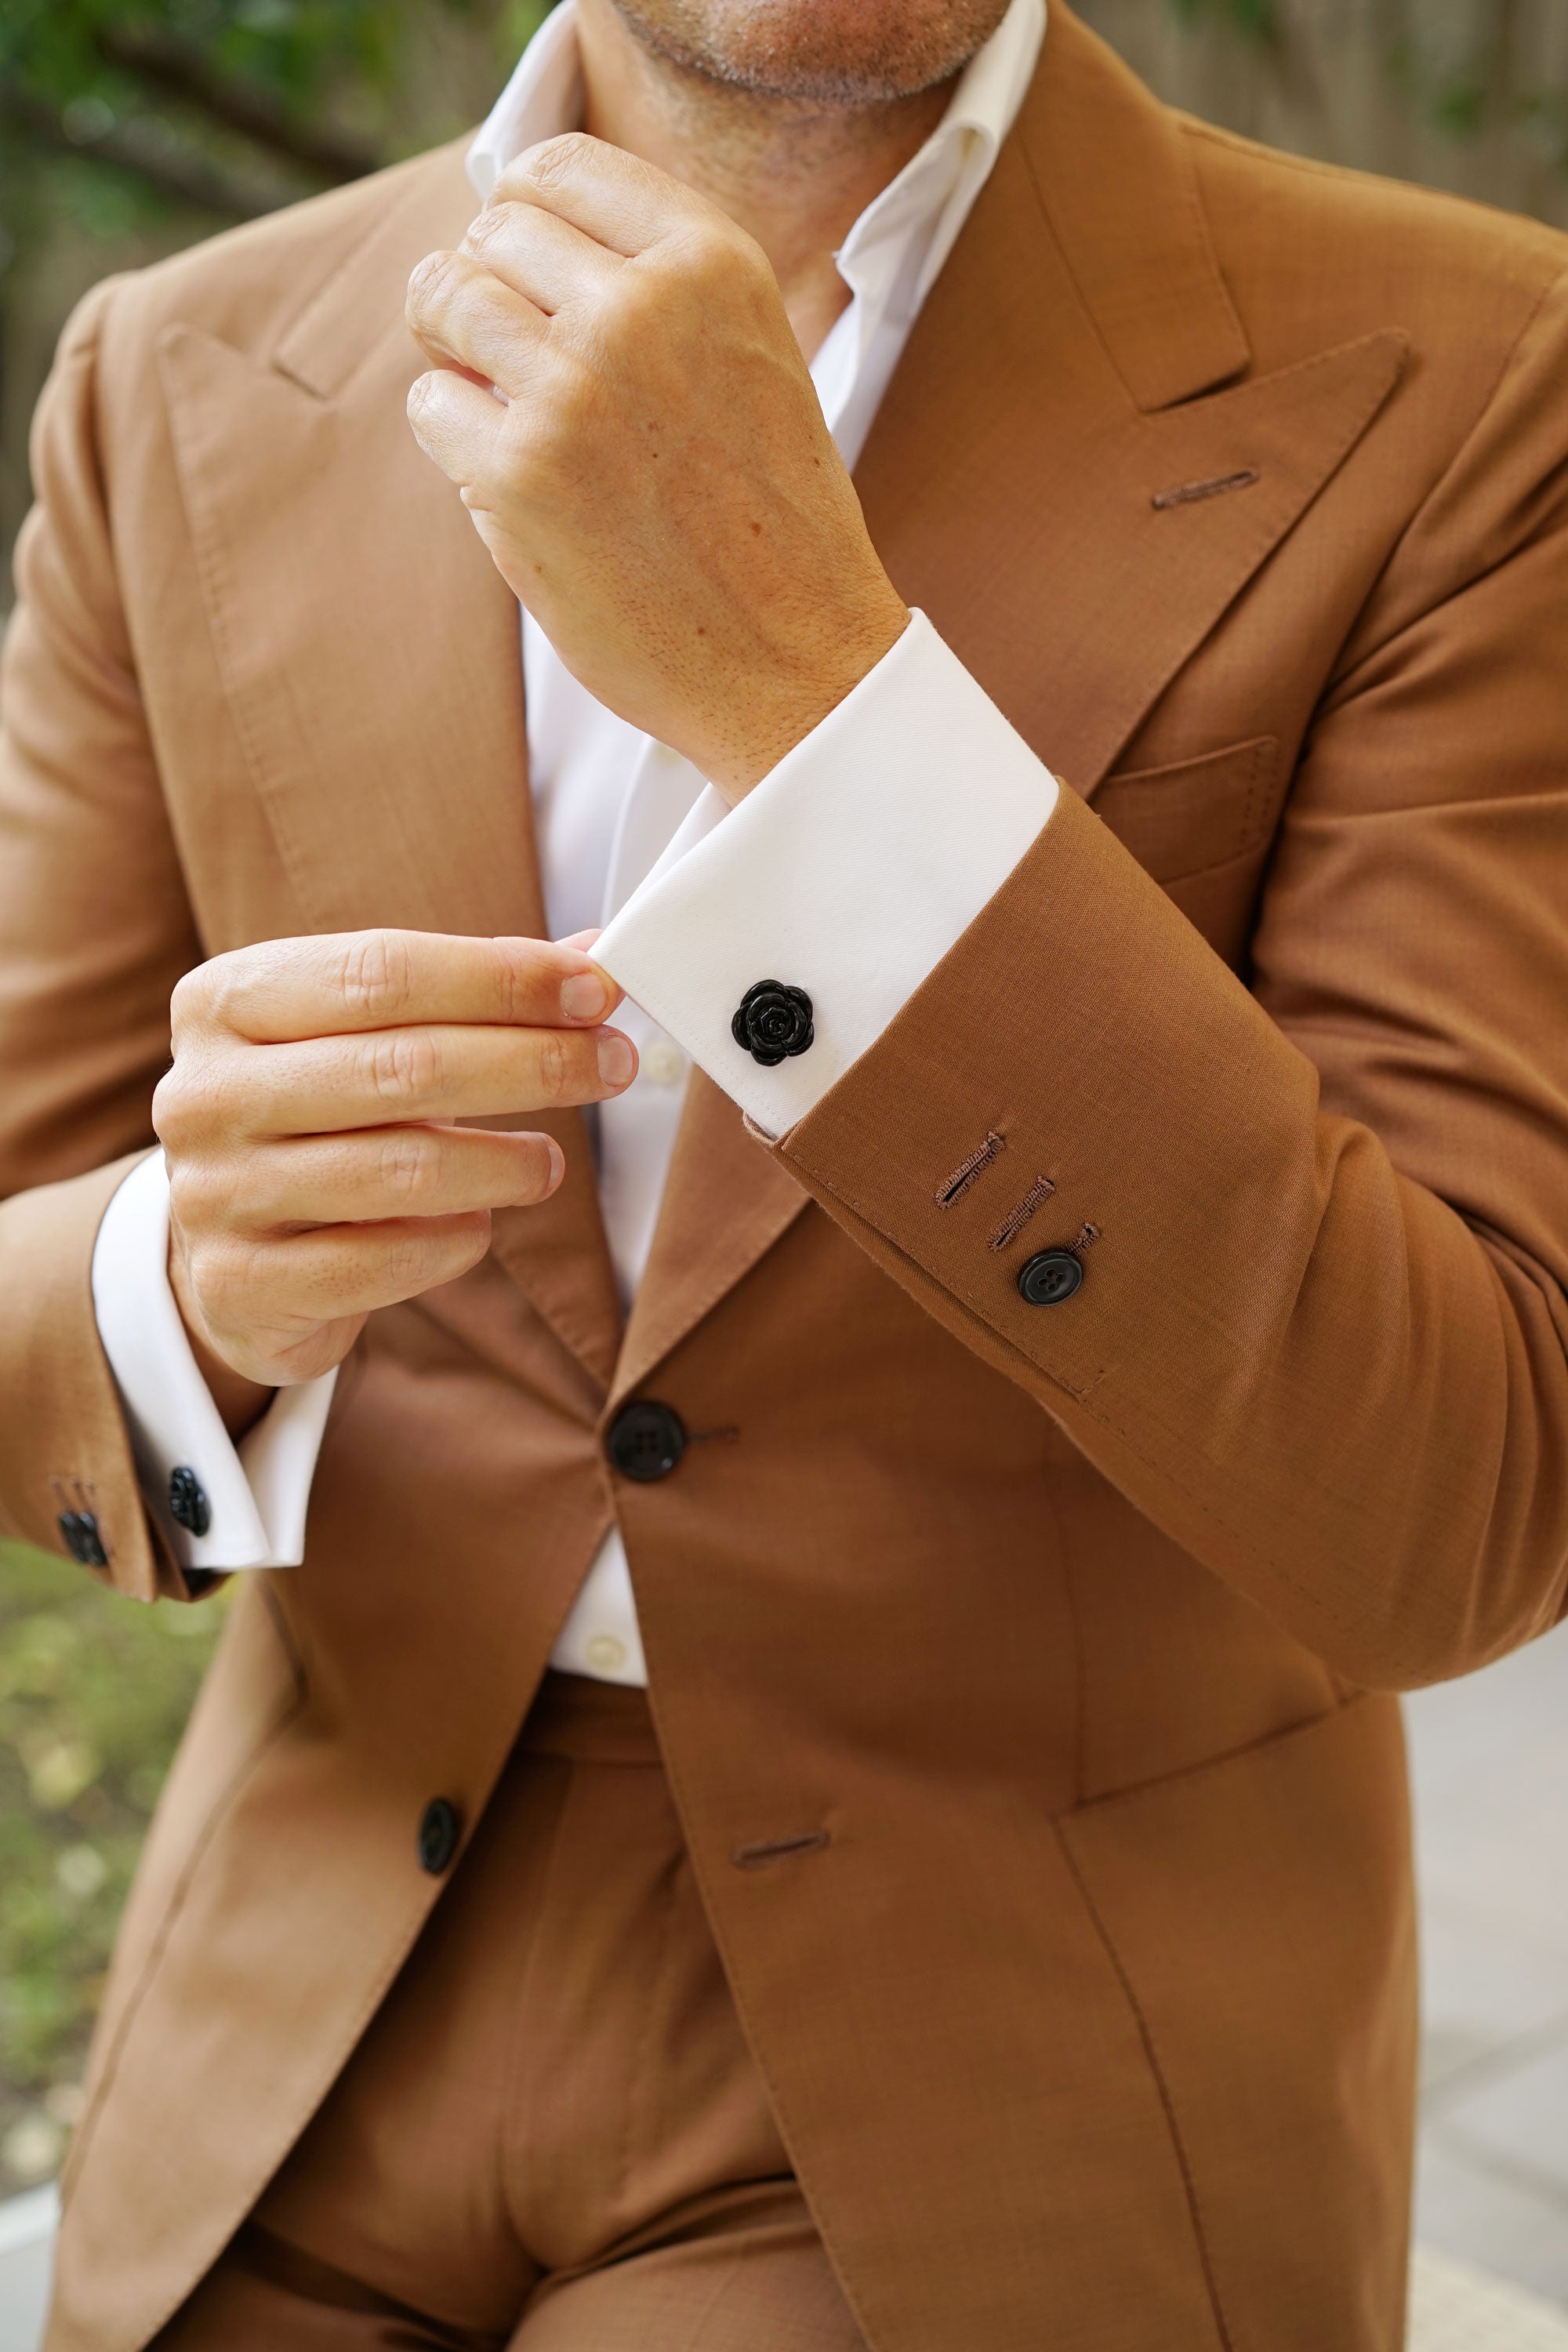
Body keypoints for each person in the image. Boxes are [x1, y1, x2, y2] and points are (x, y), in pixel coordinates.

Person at [2, 0, 1566, 2341]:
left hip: (1003, 2052)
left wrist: (820, 700)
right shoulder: (175, 370)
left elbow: (1466, 1495)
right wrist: (182, 1282)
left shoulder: (1480, 372)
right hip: (297, 1996)